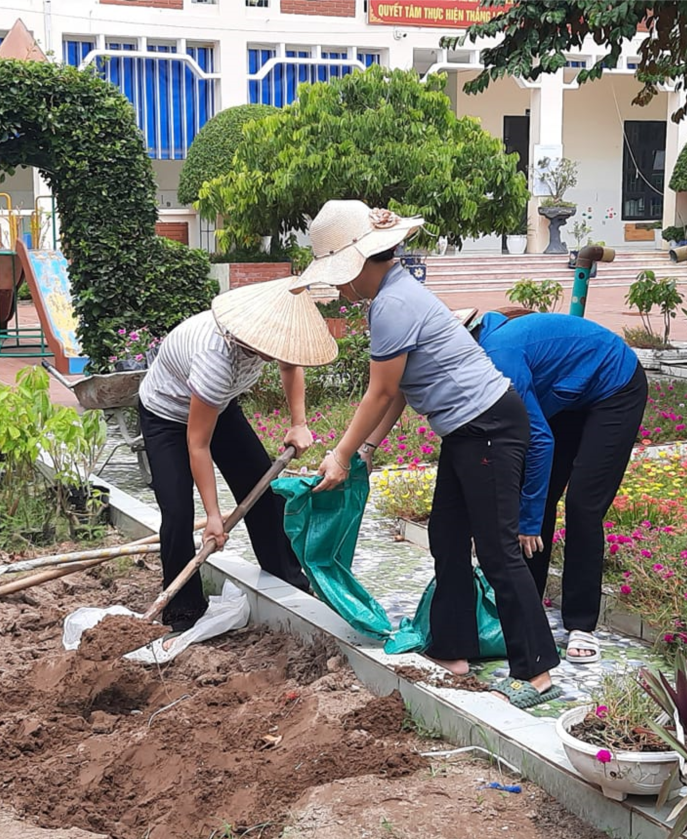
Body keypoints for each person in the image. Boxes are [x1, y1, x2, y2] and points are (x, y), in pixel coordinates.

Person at [299, 200, 560, 710]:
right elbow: (398, 390)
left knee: (498, 550)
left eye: (338, 274)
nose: (339, 288)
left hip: (488, 426)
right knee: (446, 537)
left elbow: (378, 392)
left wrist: (341, 455)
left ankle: (536, 672)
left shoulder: (393, 304)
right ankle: (453, 649)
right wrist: (366, 449)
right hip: (468, 431)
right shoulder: (395, 296)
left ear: (357, 263)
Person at [442, 309, 648, 665]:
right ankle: (528, 604)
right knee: (539, 489)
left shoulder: (499, 357)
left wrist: (527, 522)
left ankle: (581, 624)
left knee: (583, 504)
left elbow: (540, 441)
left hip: (615, 385)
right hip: (569, 392)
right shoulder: (481, 359)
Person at [136, 276, 336, 634]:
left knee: (262, 490)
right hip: (166, 415)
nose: (280, 351)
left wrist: (299, 423)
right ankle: (183, 611)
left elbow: (290, 365)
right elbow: (198, 445)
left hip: (219, 406)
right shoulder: (215, 357)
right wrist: (214, 516)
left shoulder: (270, 338)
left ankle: (288, 582)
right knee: (178, 511)